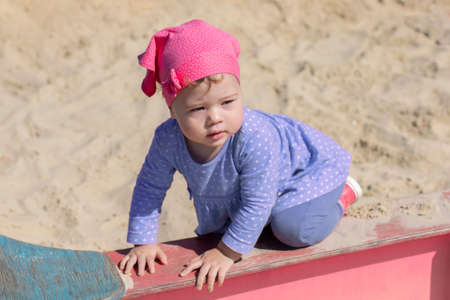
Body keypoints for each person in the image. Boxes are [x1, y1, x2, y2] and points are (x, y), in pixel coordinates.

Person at [118, 19, 362, 292]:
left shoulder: (253, 136)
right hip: (264, 187)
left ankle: (343, 195)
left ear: (240, 94)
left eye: (227, 103)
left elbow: (258, 200)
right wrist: (144, 242)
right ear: (173, 110)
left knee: (292, 230)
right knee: (241, 225)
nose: (215, 118)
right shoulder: (168, 138)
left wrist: (226, 252)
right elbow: (149, 187)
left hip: (308, 171)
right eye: (198, 109)